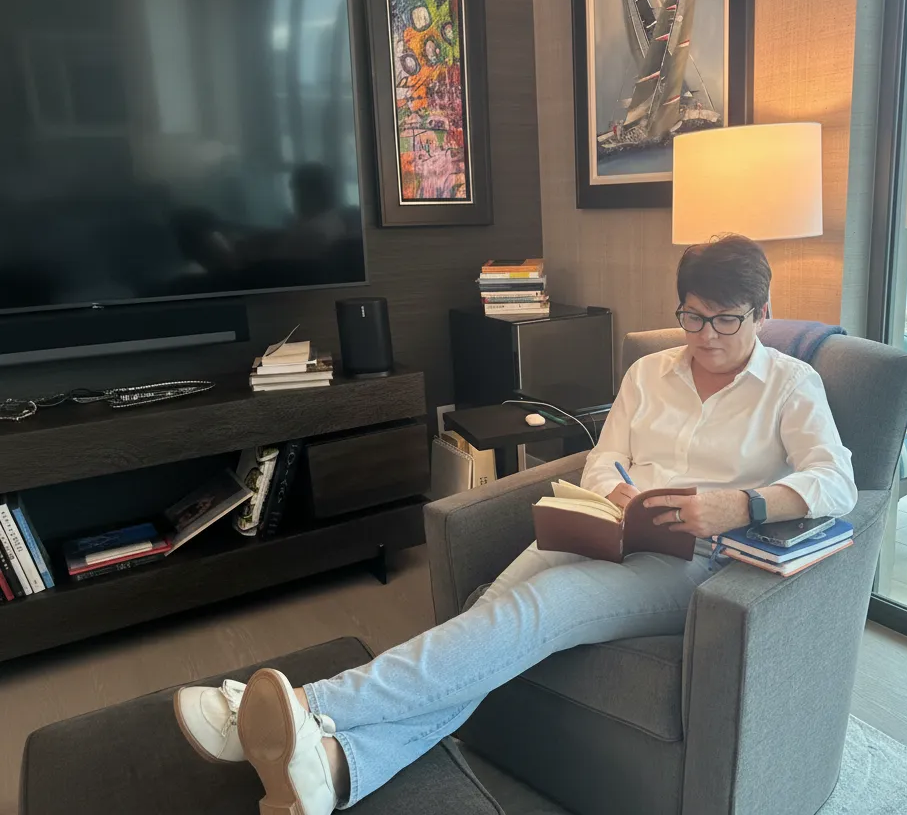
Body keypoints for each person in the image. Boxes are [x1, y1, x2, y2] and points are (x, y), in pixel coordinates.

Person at [173, 234, 857, 813]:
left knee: (532, 611)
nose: (706, 337)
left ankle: (301, 706)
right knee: (489, 619)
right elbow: (604, 457)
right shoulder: (650, 372)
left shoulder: (791, 385)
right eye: (693, 317)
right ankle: (336, 769)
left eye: (726, 321)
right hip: (608, 527)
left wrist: (745, 504)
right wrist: (616, 493)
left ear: (762, 313)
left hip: (691, 560)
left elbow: (839, 483)